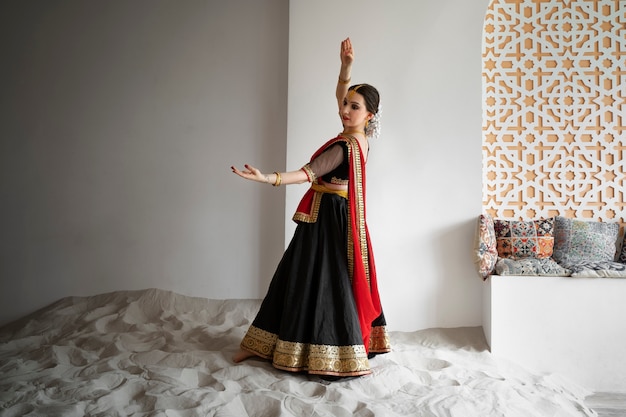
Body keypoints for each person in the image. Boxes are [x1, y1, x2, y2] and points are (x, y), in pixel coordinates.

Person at [230, 38, 390, 378]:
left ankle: (312, 349)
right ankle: (270, 344)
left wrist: (266, 178)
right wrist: (345, 70)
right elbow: (340, 95)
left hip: (326, 220)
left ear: (369, 114)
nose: (346, 110)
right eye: (346, 105)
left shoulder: (346, 144)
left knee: (307, 278)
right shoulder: (360, 136)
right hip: (337, 216)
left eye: (354, 107)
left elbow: (308, 173)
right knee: (308, 277)